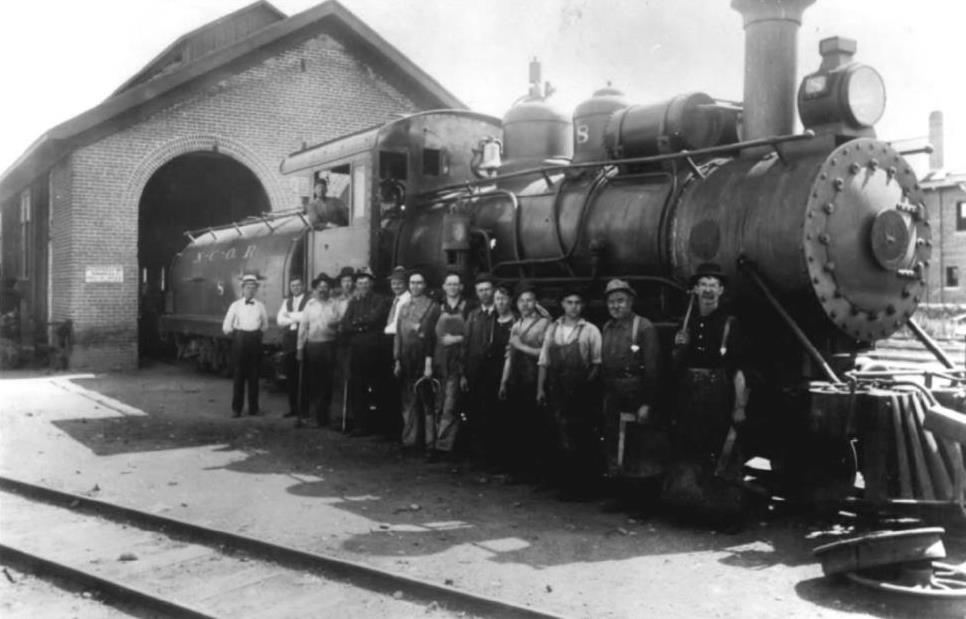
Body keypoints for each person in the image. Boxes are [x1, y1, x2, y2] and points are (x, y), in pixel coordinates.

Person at [665, 262, 749, 522]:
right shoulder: (687, 322)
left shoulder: (729, 323)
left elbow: (738, 370)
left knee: (722, 453)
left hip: (719, 396)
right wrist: (678, 347)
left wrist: (739, 406)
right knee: (689, 451)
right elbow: (675, 365)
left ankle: (727, 515)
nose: (708, 290)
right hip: (689, 395)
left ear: (721, 290)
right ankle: (689, 509)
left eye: (713, 285)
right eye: (703, 285)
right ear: (695, 290)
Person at [599, 279, 663, 509]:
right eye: (611, 302)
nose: (616, 306)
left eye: (620, 301)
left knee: (640, 450)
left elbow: (653, 369)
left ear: (631, 302)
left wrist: (647, 403)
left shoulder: (644, 327)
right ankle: (621, 498)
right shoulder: (607, 328)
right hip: (614, 396)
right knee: (616, 447)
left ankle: (643, 504)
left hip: (636, 395)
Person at [537, 288, 603, 498]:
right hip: (556, 388)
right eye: (569, 302)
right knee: (557, 434)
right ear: (563, 304)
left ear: (582, 306)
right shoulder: (553, 328)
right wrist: (540, 388)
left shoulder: (590, 330)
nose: (573, 306)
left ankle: (581, 487)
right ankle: (561, 484)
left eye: (577, 302)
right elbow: (544, 361)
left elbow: (596, 363)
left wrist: (585, 388)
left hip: (580, 390)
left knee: (581, 437)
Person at [499, 282, 551, 481]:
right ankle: (520, 470)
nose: (525, 304)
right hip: (516, 380)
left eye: (529, 300)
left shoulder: (545, 324)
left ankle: (537, 473)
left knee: (535, 426)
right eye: (522, 300)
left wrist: (520, 346)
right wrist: (504, 382)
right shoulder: (517, 324)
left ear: (535, 302)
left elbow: (544, 354)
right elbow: (509, 356)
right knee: (517, 425)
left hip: (534, 379)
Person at [393, 270, 440, 451]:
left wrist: (430, 362)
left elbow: (433, 337)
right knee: (408, 400)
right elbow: (398, 335)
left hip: (424, 358)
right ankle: (410, 440)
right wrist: (397, 359)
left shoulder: (432, 307)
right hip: (406, 359)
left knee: (427, 401)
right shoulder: (404, 306)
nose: (415, 286)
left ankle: (430, 443)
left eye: (419, 283)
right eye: (412, 283)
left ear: (425, 285)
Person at [340, 268, 390, 436]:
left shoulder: (379, 299)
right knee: (357, 387)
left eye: (366, 283)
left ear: (371, 284)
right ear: (356, 285)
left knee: (376, 387)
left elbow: (375, 318)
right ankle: (360, 425)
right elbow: (345, 323)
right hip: (356, 351)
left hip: (374, 351)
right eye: (360, 283)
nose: (363, 286)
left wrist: (357, 324)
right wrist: (360, 325)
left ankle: (378, 425)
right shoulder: (353, 302)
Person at [461, 273, 502, 464]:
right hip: (474, 371)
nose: (484, 293)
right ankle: (477, 455)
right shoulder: (473, 316)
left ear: (493, 291)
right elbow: (465, 344)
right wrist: (463, 373)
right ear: (476, 293)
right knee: (475, 411)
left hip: (494, 373)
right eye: (480, 290)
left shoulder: (501, 315)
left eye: (487, 289)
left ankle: (493, 455)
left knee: (493, 413)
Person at [429, 271, 468, 461]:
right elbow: (430, 335)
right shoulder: (437, 307)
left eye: (456, 284)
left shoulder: (468, 307)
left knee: (450, 405)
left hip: (457, 361)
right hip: (439, 361)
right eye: (449, 284)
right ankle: (437, 442)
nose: (452, 287)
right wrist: (429, 361)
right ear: (444, 287)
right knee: (438, 403)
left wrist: (458, 338)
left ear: (460, 287)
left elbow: (475, 333)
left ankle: (444, 447)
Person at [222, 274, 269, 417]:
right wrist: (237, 336)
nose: (250, 290)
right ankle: (237, 409)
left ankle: (254, 409)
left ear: (256, 290)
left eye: (253, 288)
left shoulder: (260, 306)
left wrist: (255, 335)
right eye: (248, 287)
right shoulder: (235, 306)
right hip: (240, 341)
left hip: (255, 341)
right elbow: (226, 327)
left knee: (254, 376)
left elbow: (265, 325)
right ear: (242, 289)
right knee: (239, 376)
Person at [297, 274, 341, 427]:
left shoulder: (334, 304)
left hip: (329, 345)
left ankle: (325, 416)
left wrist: (334, 323)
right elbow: (303, 327)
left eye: (325, 287)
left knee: (327, 383)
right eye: (320, 287)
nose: (323, 290)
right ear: (315, 289)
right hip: (313, 346)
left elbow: (340, 323)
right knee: (314, 382)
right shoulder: (310, 305)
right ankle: (315, 416)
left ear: (329, 289)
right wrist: (300, 348)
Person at [381, 266, 411, 439]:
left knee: (400, 386)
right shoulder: (396, 299)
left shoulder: (405, 301)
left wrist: (384, 330)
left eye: (399, 283)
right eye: (393, 283)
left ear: (405, 284)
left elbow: (396, 326)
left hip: (398, 341)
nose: (396, 286)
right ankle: (393, 427)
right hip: (391, 340)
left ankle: (400, 429)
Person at [277, 276, 309, 418]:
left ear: (303, 286)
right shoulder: (286, 301)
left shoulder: (309, 301)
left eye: (298, 285)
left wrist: (289, 315)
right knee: (291, 377)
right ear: (290, 288)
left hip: (303, 340)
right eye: (293, 286)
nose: (295, 288)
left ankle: (304, 410)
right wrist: (296, 316)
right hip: (289, 341)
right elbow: (280, 321)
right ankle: (293, 409)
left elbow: (306, 317)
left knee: (304, 376)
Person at [329, 266, 355, 428]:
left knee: (351, 377)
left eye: (349, 281)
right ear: (341, 283)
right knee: (339, 378)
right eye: (344, 281)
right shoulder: (336, 301)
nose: (347, 284)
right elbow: (332, 320)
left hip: (353, 339)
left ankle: (351, 416)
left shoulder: (357, 298)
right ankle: (338, 416)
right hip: (339, 339)